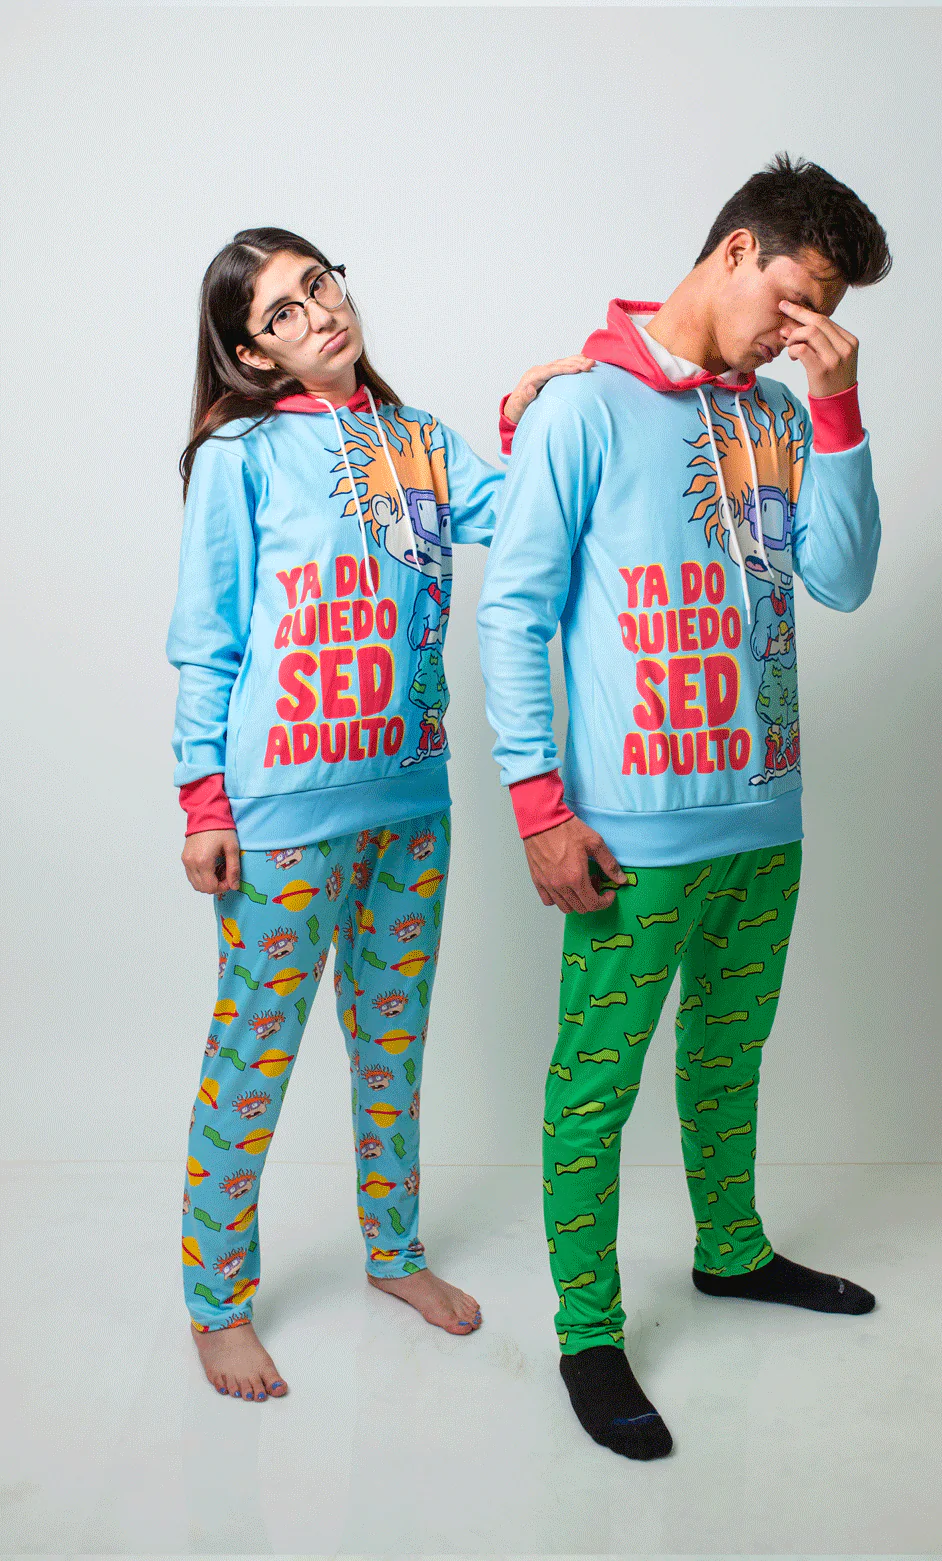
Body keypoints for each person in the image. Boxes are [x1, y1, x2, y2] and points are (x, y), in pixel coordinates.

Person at [478, 156, 890, 1459]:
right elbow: (513, 611)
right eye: (794, 297)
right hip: (628, 837)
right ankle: (588, 1331)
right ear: (735, 251)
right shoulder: (581, 407)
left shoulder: (778, 413)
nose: (798, 328)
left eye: (822, 314)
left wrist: (835, 405)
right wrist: (539, 806)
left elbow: (842, 578)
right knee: (594, 1087)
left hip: (765, 821)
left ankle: (733, 1251)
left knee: (728, 1056)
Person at [169, 227, 592, 1402]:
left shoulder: (419, 441)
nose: (318, 313)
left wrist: (529, 419)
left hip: (410, 804)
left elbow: (526, 519)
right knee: (252, 1056)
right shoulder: (239, 455)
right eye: (283, 312)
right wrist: (203, 798)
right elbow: (206, 636)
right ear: (253, 352)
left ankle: (394, 1251)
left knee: (392, 1047)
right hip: (280, 819)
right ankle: (217, 1302)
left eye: (320, 285)